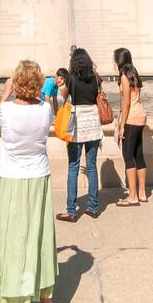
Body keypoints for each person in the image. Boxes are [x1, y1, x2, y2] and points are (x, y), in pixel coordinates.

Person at [0, 60, 58, 303]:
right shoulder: (46, 109)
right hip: (39, 178)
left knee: (11, 239)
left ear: (16, 82)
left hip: (11, 179)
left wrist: (5, 93)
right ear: (37, 83)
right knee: (39, 236)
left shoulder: (7, 111)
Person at [58, 47, 103, 222]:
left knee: (73, 167)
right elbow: (98, 94)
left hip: (76, 124)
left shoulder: (71, 78)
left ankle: (71, 211)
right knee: (91, 167)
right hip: (92, 122)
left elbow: (65, 96)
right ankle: (93, 207)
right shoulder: (95, 77)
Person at [114, 47, 148, 206]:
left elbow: (126, 103)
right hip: (141, 116)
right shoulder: (134, 73)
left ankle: (132, 196)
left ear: (118, 61)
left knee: (128, 156)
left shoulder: (124, 77)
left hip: (132, 118)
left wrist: (121, 127)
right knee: (139, 154)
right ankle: (142, 193)